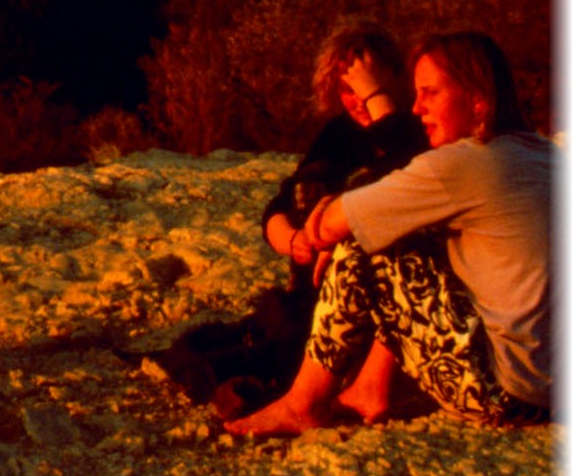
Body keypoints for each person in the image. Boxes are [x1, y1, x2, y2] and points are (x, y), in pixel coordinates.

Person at [227, 31, 552, 436]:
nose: (417, 109)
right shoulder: (546, 155)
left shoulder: (464, 163)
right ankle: (368, 387)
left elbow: (333, 227)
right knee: (403, 231)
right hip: (554, 392)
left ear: (478, 100)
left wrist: (334, 211)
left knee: (361, 247)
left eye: (430, 94)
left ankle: (302, 404)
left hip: (508, 393)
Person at [152, 23, 425, 413]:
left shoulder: (421, 132)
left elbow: (408, 171)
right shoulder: (342, 133)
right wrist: (290, 237)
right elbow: (287, 196)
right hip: (317, 286)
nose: (359, 101)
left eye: (367, 88)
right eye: (348, 90)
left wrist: (379, 102)